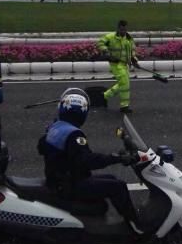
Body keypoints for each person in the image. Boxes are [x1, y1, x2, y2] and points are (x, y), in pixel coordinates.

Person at [37, 88, 145, 235]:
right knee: (118, 187)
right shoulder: (74, 134)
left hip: (60, 180)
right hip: (70, 184)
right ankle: (136, 226)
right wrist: (117, 158)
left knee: (112, 179)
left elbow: (41, 147)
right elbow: (88, 161)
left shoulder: (55, 127)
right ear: (82, 113)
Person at [97, 20, 139, 114]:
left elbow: (132, 51)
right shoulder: (111, 37)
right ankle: (124, 106)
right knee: (124, 82)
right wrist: (106, 52)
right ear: (118, 28)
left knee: (123, 84)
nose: (123, 31)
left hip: (124, 64)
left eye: (125, 29)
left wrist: (134, 59)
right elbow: (100, 43)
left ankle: (104, 96)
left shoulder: (129, 38)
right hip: (115, 64)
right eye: (121, 29)